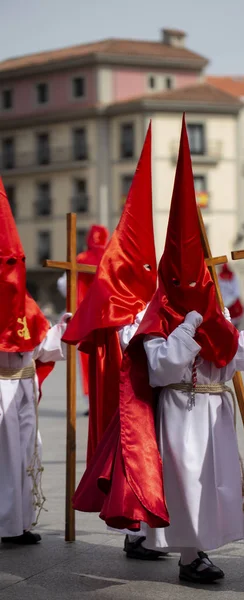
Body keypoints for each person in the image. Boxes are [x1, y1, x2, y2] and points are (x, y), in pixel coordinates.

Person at [73, 116, 244, 584]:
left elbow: (230, 359)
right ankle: (190, 558)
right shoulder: (159, 317)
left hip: (213, 410)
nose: (196, 288)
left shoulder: (215, 312)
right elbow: (161, 367)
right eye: (185, 283)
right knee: (185, 485)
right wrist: (190, 322)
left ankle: (191, 550)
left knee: (208, 486)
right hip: (177, 411)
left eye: (201, 282)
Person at [63, 125, 159, 559]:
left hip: (151, 382)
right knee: (133, 451)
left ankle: (150, 530)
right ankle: (136, 530)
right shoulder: (109, 273)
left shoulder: (96, 269)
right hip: (129, 384)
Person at [0, 179, 69, 545]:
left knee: (27, 453)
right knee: (4, 459)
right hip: (1, 390)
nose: (15, 268)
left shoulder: (25, 302)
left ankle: (21, 523)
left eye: (19, 262)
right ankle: (6, 524)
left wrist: (62, 328)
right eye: (9, 263)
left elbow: (40, 347)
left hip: (24, 389)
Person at [57, 224, 109, 415]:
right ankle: (107, 400)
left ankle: (91, 402)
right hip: (107, 318)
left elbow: (64, 284)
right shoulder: (111, 257)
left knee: (87, 360)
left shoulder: (80, 259)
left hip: (85, 317)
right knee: (109, 357)